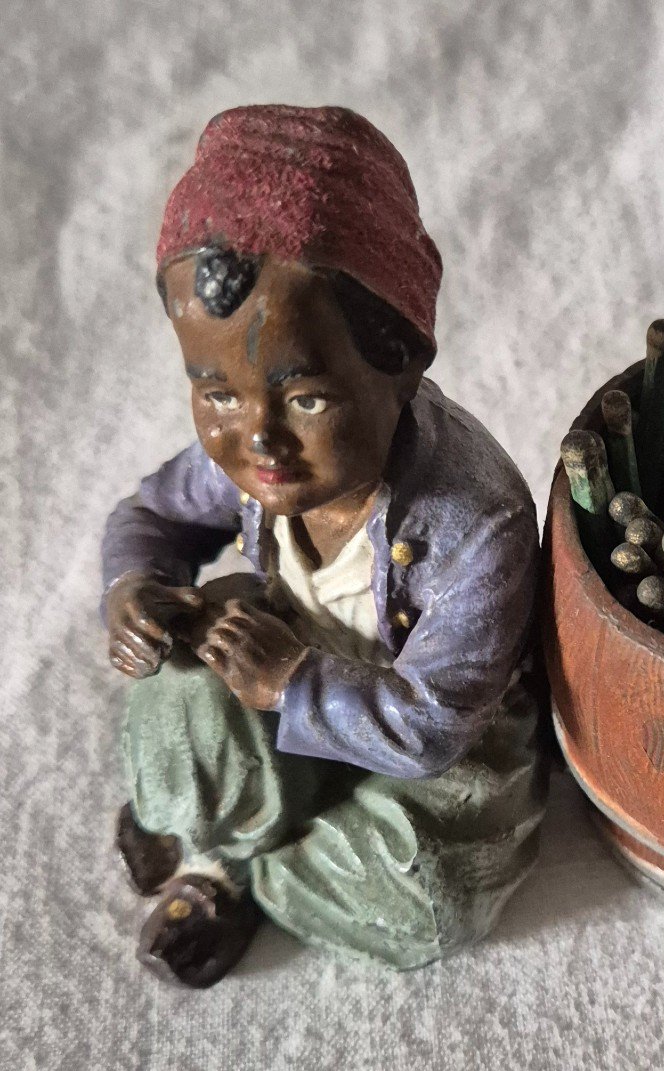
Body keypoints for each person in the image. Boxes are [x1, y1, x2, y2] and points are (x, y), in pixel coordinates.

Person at [101, 104, 546, 988]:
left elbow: (435, 728)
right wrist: (135, 591)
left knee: (439, 892)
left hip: (434, 746)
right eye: (217, 395)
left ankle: (239, 868)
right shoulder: (246, 465)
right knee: (179, 680)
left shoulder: (475, 520)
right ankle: (219, 835)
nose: (257, 440)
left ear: (399, 367)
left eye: (306, 399)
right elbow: (148, 518)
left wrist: (295, 684)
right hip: (286, 670)